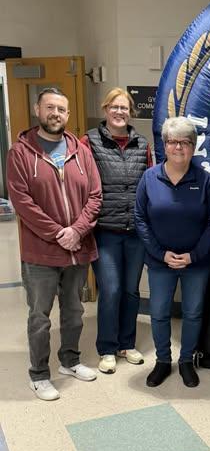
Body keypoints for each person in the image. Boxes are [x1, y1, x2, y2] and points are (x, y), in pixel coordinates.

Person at [7, 87, 102, 401]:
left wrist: (76, 230)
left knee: (74, 311)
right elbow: (22, 202)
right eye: (50, 108)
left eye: (61, 109)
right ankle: (39, 374)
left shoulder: (81, 151)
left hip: (77, 249)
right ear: (38, 110)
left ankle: (70, 360)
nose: (55, 114)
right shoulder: (20, 153)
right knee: (40, 316)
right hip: (41, 252)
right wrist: (59, 233)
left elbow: (95, 196)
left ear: (68, 114)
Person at [135, 116, 210, 388]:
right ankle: (162, 361)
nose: (179, 148)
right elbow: (140, 218)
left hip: (196, 262)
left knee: (193, 312)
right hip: (160, 262)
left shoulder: (204, 180)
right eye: (173, 142)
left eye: (185, 142)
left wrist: (194, 255)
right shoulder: (150, 178)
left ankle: (185, 361)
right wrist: (161, 254)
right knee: (159, 313)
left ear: (193, 146)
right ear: (165, 145)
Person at [81, 88, 152, 374]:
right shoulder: (89, 141)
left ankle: (127, 343)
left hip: (135, 230)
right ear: (105, 109)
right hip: (105, 230)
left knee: (131, 291)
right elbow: (80, 182)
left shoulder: (141, 143)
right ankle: (107, 348)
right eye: (115, 107)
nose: (120, 112)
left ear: (130, 111)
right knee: (110, 290)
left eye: (125, 108)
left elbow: (150, 182)